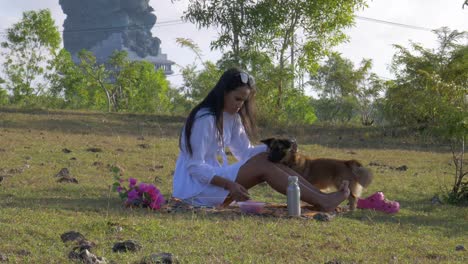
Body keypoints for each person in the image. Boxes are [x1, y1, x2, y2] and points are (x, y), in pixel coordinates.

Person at [172, 68, 350, 211]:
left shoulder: (232, 118)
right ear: (223, 92)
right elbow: (194, 166)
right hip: (193, 190)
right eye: (237, 99)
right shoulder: (205, 119)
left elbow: (245, 153)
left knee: (269, 158)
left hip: (214, 181)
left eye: (243, 101)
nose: (240, 105)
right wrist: (229, 185)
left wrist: (279, 146)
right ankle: (323, 200)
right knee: (264, 164)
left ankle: (323, 198)